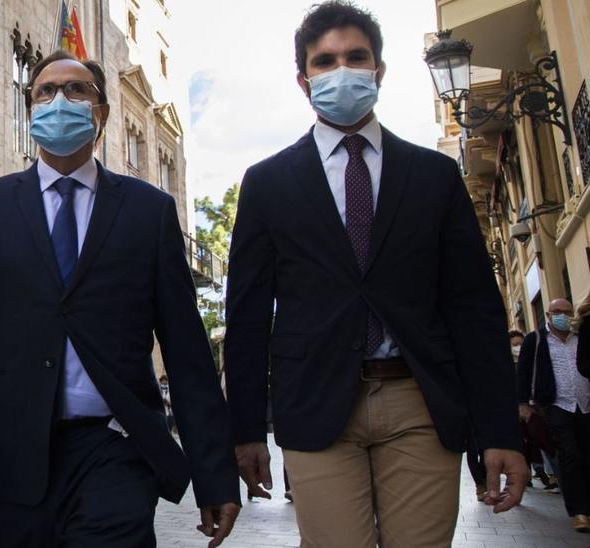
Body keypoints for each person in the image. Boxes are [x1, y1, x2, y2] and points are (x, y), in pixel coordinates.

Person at [0, 49, 241, 547]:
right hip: (10, 453)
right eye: (44, 92)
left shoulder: (148, 213)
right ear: (30, 109)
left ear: (101, 114)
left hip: (114, 451)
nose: (59, 100)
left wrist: (214, 474)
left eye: (76, 90)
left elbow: (187, 355)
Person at [223, 2, 527, 545]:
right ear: (304, 79)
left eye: (356, 57)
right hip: (316, 405)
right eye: (325, 61)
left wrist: (501, 430)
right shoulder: (267, 183)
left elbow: (474, 308)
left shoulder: (434, 176)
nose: (341, 70)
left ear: (379, 70)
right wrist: (245, 431)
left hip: (421, 403)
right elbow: (246, 317)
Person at [518, 299, 590, 531]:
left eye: (567, 312)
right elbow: (523, 372)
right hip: (555, 405)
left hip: (585, 404)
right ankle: (578, 511)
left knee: (586, 454)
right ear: (548, 315)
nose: (563, 315)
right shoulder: (536, 340)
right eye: (557, 312)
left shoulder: (581, 337)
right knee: (570, 455)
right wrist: (522, 404)